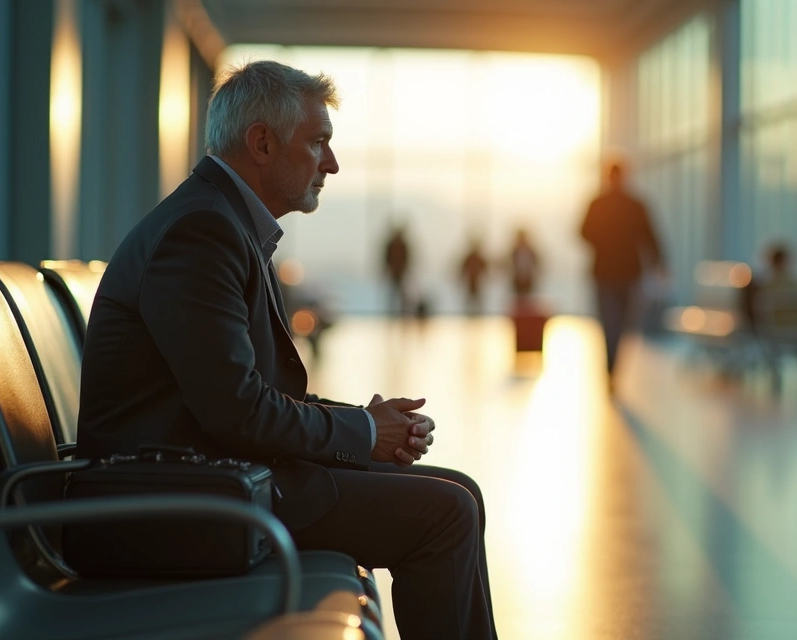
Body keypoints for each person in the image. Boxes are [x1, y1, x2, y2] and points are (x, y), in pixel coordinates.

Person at [76, 61, 497, 640]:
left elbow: (249, 393)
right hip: (183, 501)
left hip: (212, 477)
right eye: (318, 142)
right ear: (263, 143)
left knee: (459, 493)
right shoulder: (202, 233)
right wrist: (365, 434)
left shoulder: (221, 222)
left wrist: (367, 427)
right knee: (445, 513)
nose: (331, 163)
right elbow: (237, 409)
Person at [580, 161, 665, 380]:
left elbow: (649, 235)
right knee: (614, 321)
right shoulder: (625, 205)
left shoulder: (607, 204)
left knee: (618, 322)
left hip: (619, 272)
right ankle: (612, 362)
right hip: (615, 273)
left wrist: (658, 261)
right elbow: (650, 236)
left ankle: (613, 360)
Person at [383, 224, 410, 316]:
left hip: (401, 274)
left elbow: (407, 259)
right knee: (392, 297)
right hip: (393, 273)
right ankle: (392, 316)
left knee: (402, 298)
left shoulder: (402, 245)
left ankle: (402, 316)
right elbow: (387, 258)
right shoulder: (392, 245)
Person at [509, 228, 540, 302]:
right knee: (518, 300)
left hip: (528, 280)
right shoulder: (514, 251)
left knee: (528, 300)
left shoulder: (531, 250)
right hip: (517, 280)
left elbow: (537, 263)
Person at [459, 238, 488, 316]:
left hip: (477, 284)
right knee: (469, 303)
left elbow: (485, 269)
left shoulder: (479, 258)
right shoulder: (469, 257)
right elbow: (462, 269)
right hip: (470, 284)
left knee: (479, 304)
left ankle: (480, 316)